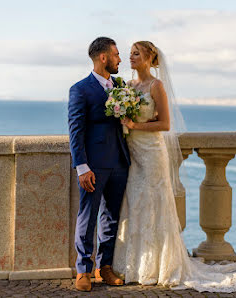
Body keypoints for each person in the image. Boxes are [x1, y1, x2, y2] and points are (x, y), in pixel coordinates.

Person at [112, 41, 236, 292]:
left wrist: (135, 125)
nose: (131, 57)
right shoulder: (128, 87)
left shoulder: (156, 86)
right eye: (130, 54)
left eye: (136, 53)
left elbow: (165, 124)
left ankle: (159, 266)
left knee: (154, 203)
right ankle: (134, 264)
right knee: (135, 202)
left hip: (151, 152)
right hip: (133, 152)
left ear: (149, 58)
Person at [68, 37, 130, 292]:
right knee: (88, 217)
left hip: (120, 162)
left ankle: (104, 267)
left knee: (111, 218)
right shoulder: (80, 89)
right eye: (116, 54)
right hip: (94, 165)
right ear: (103, 57)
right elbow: (76, 130)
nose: (120, 59)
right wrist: (82, 167)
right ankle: (83, 270)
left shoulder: (122, 85)